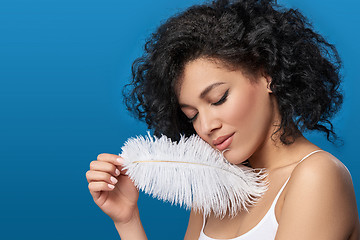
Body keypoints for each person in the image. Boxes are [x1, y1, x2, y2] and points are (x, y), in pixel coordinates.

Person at [85, 0, 360, 239]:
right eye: (191, 115)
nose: (206, 127)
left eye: (218, 99)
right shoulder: (214, 190)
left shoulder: (317, 176)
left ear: (267, 74)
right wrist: (127, 220)